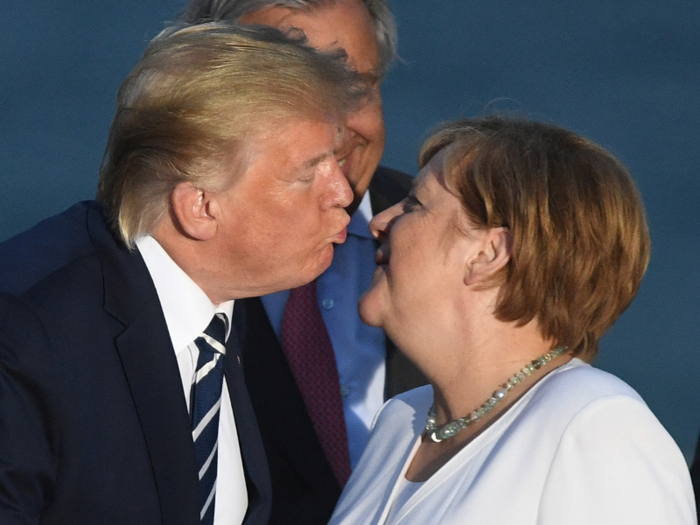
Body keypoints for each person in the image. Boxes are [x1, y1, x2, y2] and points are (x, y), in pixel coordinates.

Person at [0, 22, 369, 525]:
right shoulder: (23, 337)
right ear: (200, 207)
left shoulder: (220, 306)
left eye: (337, 162)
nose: (344, 193)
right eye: (310, 173)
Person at [328, 116, 696, 524]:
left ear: (489, 254)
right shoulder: (401, 421)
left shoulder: (594, 425)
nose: (379, 222)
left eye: (415, 204)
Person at [179, 1, 426, 523]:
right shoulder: (158, 260)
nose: (333, 129)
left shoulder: (465, 239)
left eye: (355, 89)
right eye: (289, 92)